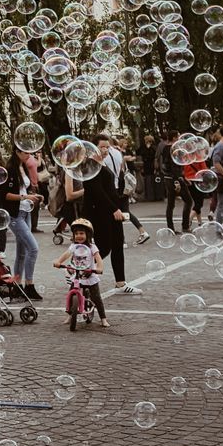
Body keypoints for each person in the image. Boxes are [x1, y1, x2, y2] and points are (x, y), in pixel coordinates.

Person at [82, 142, 138, 294]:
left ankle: (121, 283)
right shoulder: (91, 165)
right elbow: (98, 192)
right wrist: (114, 209)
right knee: (104, 246)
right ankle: (78, 270)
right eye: (102, 146)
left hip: (112, 209)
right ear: (93, 148)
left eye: (107, 147)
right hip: (101, 212)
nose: (105, 149)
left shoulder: (102, 163)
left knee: (118, 244)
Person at [0, 148, 44, 300]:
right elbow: (4, 195)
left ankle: (17, 286)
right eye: (26, 152)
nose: (29, 155)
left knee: (22, 252)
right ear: (16, 151)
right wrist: (26, 197)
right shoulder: (10, 169)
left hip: (25, 212)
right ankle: (29, 285)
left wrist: (33, 196)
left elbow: (23, 189)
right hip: (15, 215)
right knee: (33, 249)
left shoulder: (22, 167)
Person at [53, 217, 110, 328]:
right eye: (76, 233)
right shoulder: (74, 246)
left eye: (82, 233)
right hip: (78, 275)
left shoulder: (92, 247)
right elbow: (66, 254)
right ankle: (70, 315)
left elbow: (98, 258)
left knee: (96, 297)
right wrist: (58, 261)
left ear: (88, 235)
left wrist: (99, 267)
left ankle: (103, 318)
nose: (79, 236)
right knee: (71, 294)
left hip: (90, 275)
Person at [158, 130, 191, 232]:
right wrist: (177, 181)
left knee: (171, 204)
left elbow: (166, 165)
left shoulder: (165, 148)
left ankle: (171, 228)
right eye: (178, 136)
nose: (179, 138)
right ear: (173, 138)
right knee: (189, 201)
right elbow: (174, 166)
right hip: (175, 178)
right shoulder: (173, 149)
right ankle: (185, 226)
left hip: (169, 178)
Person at [138, 134, 159, 202]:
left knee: (150, 180)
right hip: (147, 165)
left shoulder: (152, 147)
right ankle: (150, 196)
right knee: (149, 180)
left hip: (150, 165)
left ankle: (151, 196)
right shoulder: (148, 147)